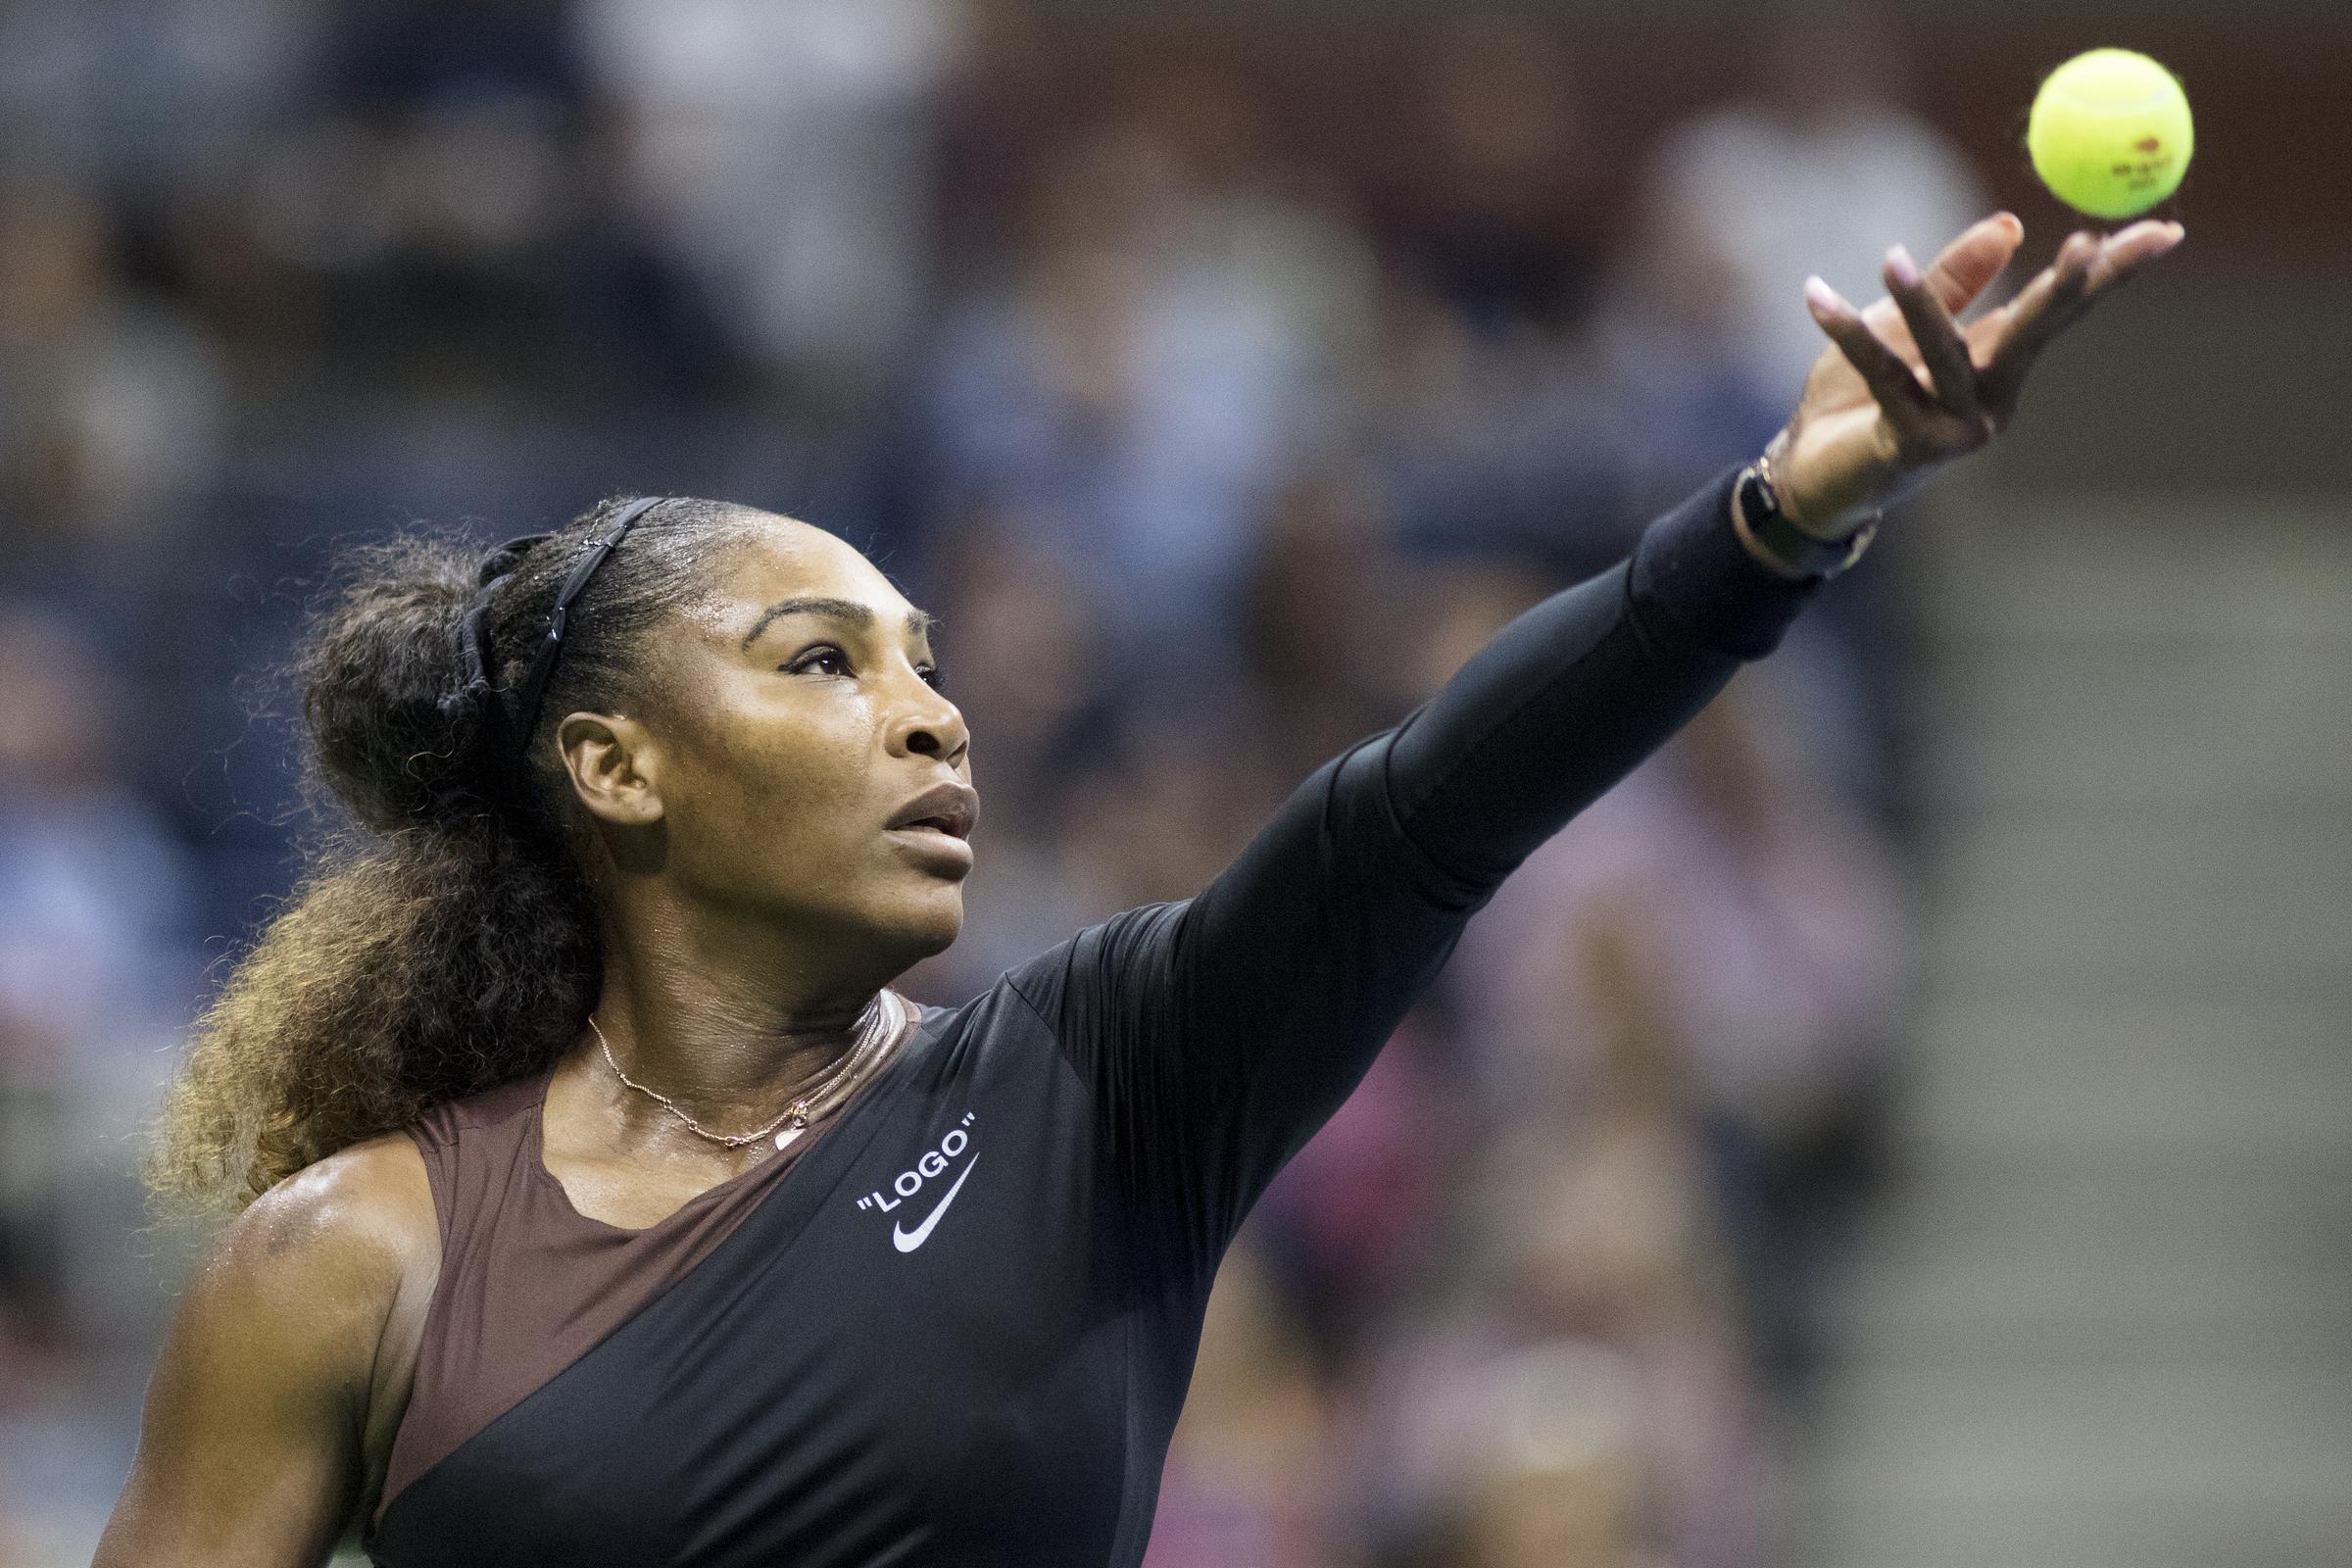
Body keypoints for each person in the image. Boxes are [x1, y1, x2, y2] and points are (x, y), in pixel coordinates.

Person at [92, 212, 2180, 1568]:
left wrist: (1772, 523)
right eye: (824, 662)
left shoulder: (1103, 1078)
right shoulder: (352, 1256)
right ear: (614, 766)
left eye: (930, 658)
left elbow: (1421, 809)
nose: (933, 718)